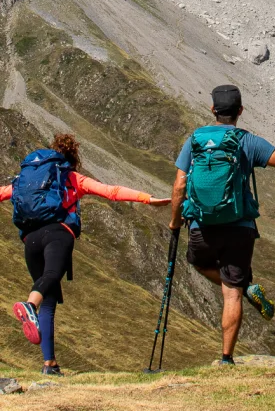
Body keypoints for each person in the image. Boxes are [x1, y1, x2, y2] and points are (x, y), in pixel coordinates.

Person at [169, 84, 275, 366]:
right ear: (240, 112)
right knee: (232, 290)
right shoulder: (247, 141)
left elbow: (179, 185)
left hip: (202, 225)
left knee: (198, 263)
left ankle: (244, 286)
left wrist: (176, 220)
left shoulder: (196, 140)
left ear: (213, 110)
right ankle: (226, 357)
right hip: (240, 227)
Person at [0, 133, 170, 375]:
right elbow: (111, 191)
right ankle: (29, 305)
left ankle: (49, 365)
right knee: (50, 277)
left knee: (49, 297)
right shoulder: (71, 177)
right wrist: (148, 199)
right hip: (58, 234)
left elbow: (2, 193)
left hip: (31, 240)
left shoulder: (26, 181)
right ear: (73, 159)